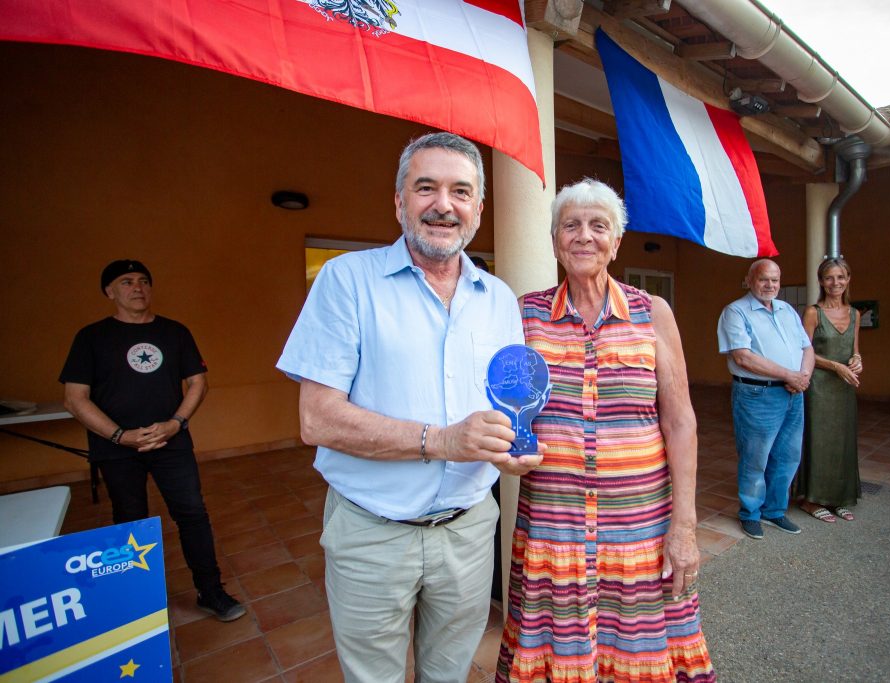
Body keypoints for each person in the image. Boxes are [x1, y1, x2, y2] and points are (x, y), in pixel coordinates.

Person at [276, 132, 542, 683]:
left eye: (460, 192)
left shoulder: (497, 299)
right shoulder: (347, 280)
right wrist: (441, 440)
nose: (444, 205)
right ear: (399, 202)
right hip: (373, 534)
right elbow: (316, 419)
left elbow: (499, 408)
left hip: (469, 531)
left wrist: (507, 449)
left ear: (478, 209)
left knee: (448, 674)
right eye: (427, 188)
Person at [496, 179, 715, 683]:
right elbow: (505, 406)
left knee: (639, 648)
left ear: (617, 242)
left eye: (599, 226)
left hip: (640, 528)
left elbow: (680, 421)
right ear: (555, 241)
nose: (584, 236)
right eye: (570, 225)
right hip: (556, 530)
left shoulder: (651, 312)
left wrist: (684, 526)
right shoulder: (524, 315)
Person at [60, 259, 245, 622]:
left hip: (171, 443)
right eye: (126, 282)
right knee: (130, 521)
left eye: (143, 280)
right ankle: (137, 602)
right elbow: (75, 398)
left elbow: (198, 383)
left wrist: (175, 423)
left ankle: (211, 592)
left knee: (192, 515)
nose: (137, 287)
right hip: (116, 449)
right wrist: (120, 435)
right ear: (109, 292)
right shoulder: (91, 338)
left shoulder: (174, 333)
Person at [717, 259, 814, 540]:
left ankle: (774, 511)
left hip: (793, 393)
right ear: (749, 280)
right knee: (755, 457)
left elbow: (806, 347)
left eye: (775, 280)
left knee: (788, 456)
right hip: (757, 394)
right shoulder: (735, 312)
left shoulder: (787, 311)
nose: (770, 285)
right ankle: (750, 513)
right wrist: (790, 375)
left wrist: (803, 375)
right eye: (763, 279)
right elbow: (742, 356)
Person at [794, 258, 863, 523]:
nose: (836, 283)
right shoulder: (813, 313)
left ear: (848, 280)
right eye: (830, 278)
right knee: (818, 441)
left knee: (842, 441)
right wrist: (835, 366)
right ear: (822, 282)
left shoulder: (855, 314)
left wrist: (857, 360)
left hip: (845, 386)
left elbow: (854, 349)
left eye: (841, 277)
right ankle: (811, 500)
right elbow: (804, 350)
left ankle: (839, 498)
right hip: (819, 387)